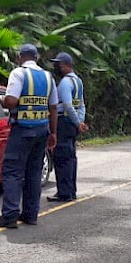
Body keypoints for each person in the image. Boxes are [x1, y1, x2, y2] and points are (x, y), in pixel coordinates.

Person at [0, 43, 58, 228]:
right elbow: (53, 107)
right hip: (42, 130)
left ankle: (10, 215)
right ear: (36, 58)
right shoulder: (48, 77)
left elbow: (11, 101)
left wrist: (1, 100)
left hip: (23, 130)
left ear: (20, 57)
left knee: (12, 172)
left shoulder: (18, 73)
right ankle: (31, 214)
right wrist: (54, 132)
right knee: (33, 172)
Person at [47, 51, 89, 202]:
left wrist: (78, 123)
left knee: (62, 157)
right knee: (71, 157)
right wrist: (80, 122)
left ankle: (64, 193)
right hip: (72, 123)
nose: (56, 67)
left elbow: (68, 106)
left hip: (64, 122)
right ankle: (70, 190)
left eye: (58, 64)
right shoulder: (78, 81)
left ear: (66, 65)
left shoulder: (65, 82)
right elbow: (82, 105)